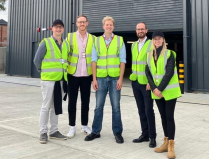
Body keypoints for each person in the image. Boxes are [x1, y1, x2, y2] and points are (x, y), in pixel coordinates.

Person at [84, 16, 126, 144]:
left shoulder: (119, 40)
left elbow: (123, 60)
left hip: (114, 78)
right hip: (101, 78)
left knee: (116, 107)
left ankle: (117, 132)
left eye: (111, 25)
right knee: (98, 107)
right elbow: (93, 60)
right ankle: (95, 131)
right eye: (107, 25)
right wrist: (94, 79)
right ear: (103, 26)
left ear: (113, 26)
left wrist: (120, 79)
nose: (109, 26)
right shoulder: (96, 41)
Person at [145, 31, 181, 159]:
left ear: (163, 40)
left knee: (169, 116)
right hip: (157, 92)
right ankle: (165, 142)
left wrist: (159, 89)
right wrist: (154, 88)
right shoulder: (149, 55)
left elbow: (169, 73)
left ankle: (171, 145)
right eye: (155, 39)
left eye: (159, 39)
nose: (157, 41)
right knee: (163, 117)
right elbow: (148, 73)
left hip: (169, 91)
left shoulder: (170, 54)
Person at [33, 19, 69, 144]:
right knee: (46, 106)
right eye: (56, 27)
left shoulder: (66, 44)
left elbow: (65, 61)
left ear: (63, 29)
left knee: (56, 107)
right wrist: (42, 72)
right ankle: (43, 132)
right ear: (52, 28)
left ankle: (54, 131)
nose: (58, 29)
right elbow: (37, 60)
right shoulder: (46, 42)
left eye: (61, 27)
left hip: (60, 80)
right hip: (48, 80)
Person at [65, 15, 95, 138]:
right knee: (72, 101)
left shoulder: (93, 38)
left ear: (87, 23)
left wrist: (94, 77)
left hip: (87, 74)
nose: (82, 24)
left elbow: (95, 57)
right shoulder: (70, 36)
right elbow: (64, 54)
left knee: (85, 102)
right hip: (73, 74)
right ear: (76, 24)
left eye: (84, 22)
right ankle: (72, 127)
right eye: (79, 22)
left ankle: (84, 125)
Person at [130, 22, 157, 148]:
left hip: (146, 83)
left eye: (142, 29)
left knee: (148, 110)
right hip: (135, 82)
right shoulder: (134, 45)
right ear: (136, 31)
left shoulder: (151, 44)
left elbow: (154, 64)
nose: (140, 31)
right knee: (141, 110)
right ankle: (144, 134)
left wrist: (150, 82)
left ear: (146, 30)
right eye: (138, 29)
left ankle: (152, 137)